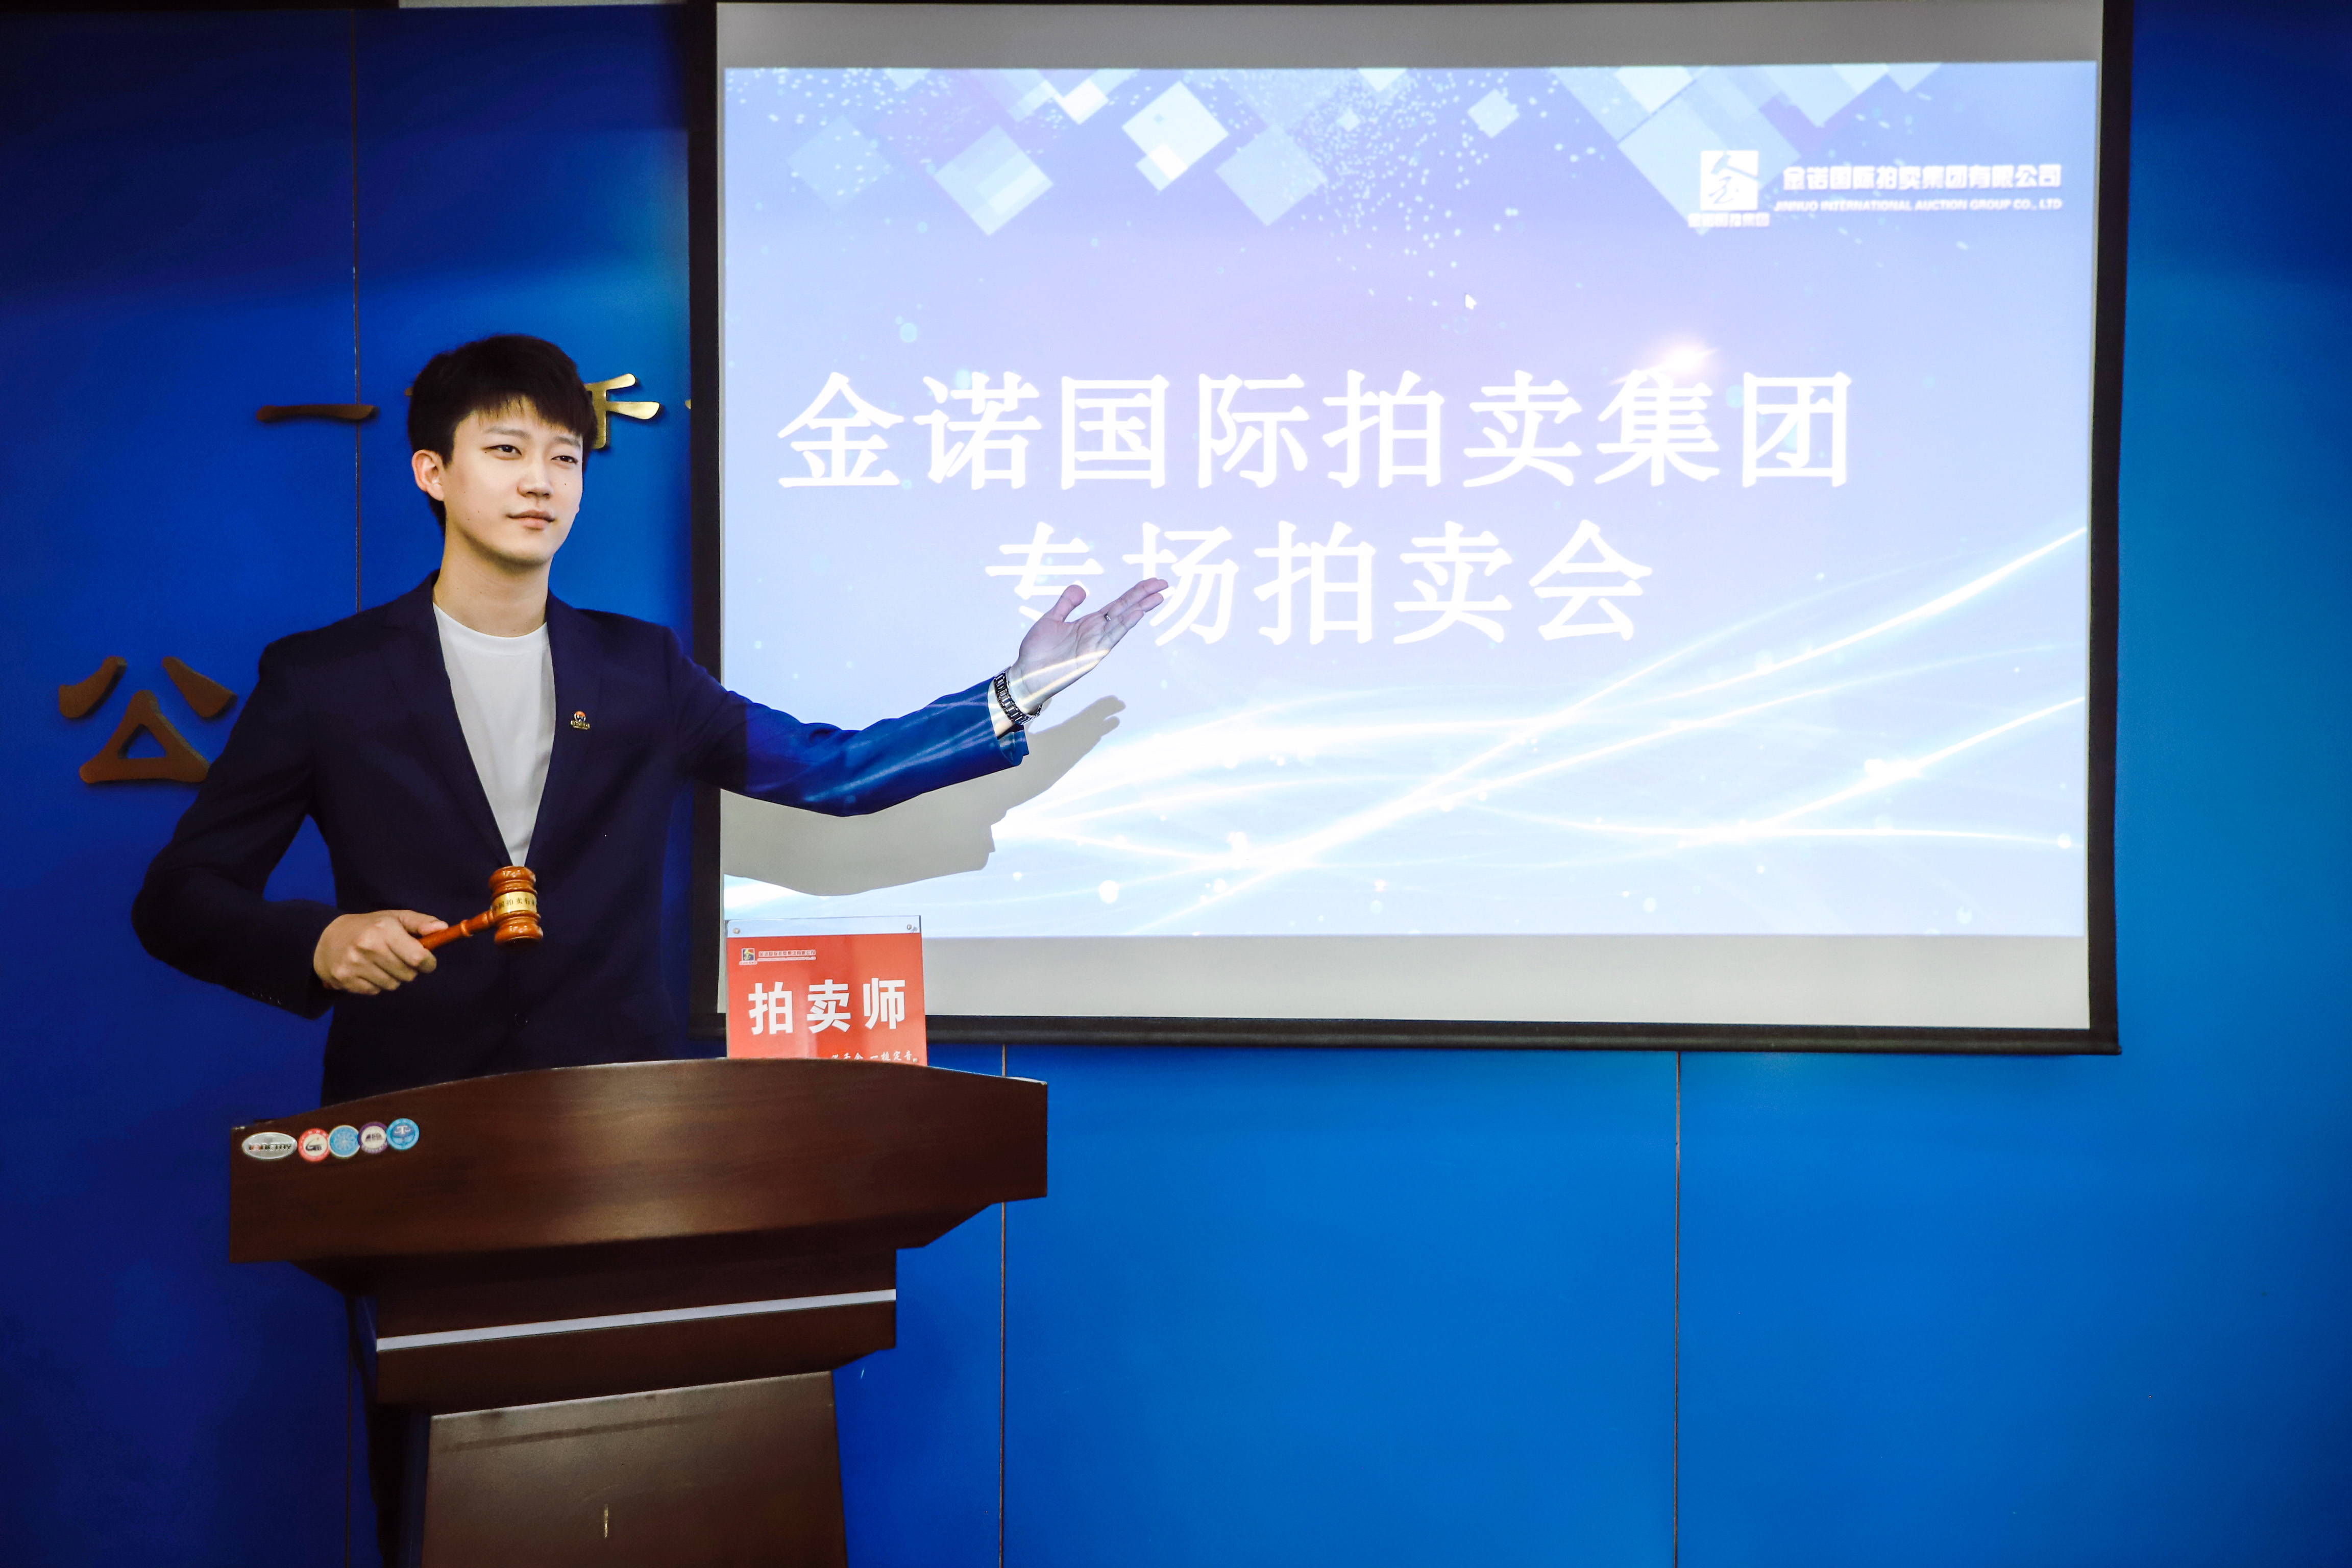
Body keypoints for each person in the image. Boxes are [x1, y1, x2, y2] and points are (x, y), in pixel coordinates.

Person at [133, 334, 1164, 1102]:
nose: (540, 481)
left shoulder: (640, 670)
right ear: (432, 472)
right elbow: (179, 898)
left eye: (565, 458)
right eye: (506, 450)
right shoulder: (326, 678)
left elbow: (834, 773)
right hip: (410, 1110)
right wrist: (319, 941)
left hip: (620, 1111)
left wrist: (1014, 692)